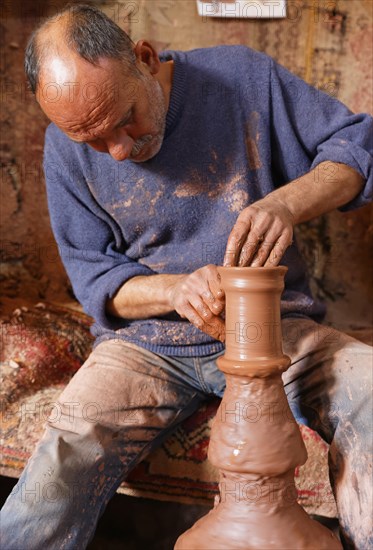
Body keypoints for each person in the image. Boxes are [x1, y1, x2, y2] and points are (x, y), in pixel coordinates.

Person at [1, 4, 372, 549]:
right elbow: (96, 277)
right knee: (60, 465)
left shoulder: (244, 79)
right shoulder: (65, 147)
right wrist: (174, 289)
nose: (119, 151)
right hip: (147, 345)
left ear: (145, 59)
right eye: (94, 140)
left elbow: (358, 146)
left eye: (124, 118)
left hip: (274, 329)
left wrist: (286, 205)